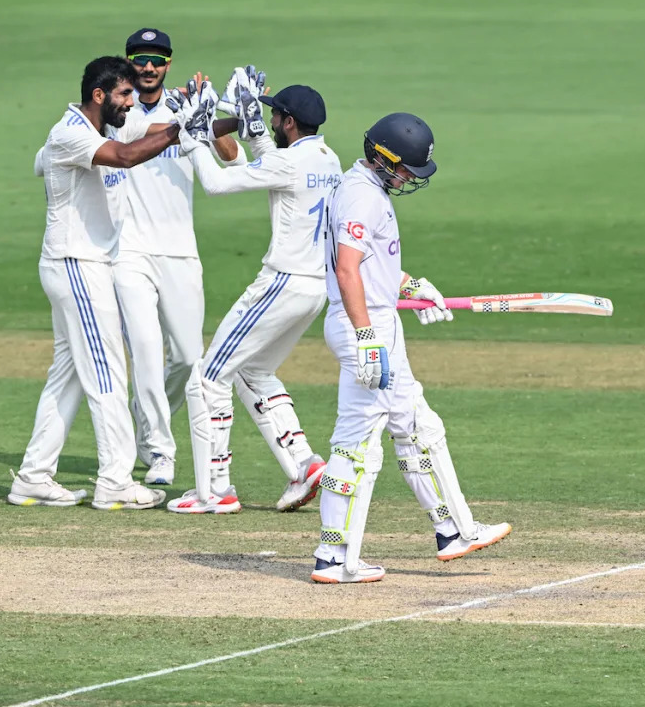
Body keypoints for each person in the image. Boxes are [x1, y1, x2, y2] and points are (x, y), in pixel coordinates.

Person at [310, 112, 510, 584]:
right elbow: (347, 270)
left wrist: (414, 286)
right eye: (404, 170)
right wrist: (366, 338)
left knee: (417, 425)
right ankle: (335, 557)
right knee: (358, 447)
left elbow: (373, 267)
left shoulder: (364, 189)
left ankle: (454, 530)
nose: (407, 179)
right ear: (382, 158)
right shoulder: (361, 196)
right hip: (366, 327)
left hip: (376, 322)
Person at [7, 56, 184, 510]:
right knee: (108, 372)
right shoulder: (69, 133)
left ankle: (33, 475)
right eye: (125, 95)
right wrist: (183, 127)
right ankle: (116, 482)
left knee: (67, 376)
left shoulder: (106, 126)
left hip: (83, 265)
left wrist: (219, 122)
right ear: (100, 96)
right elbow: (127, 158)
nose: (133, 102)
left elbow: (148, 137)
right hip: (76, 265)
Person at [163, 78, 338, 514]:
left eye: (274, 114)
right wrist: (255, 130)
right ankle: (304, 465)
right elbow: (277, 164)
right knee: (252, 372)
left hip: (280, 283)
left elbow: (217, 185)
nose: (270, 119)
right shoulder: (326, 158)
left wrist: (192, 140)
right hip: (314, 288)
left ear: (289, 122)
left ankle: (215, 489)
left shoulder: (290, 163)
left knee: (207, 379)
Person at [114, 28, 244, 487]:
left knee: (190, 359)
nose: (148, 67)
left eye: (156, 59)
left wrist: (205, 119)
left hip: (180, 250)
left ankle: (146, 418)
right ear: (129, 62)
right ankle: (160, 452)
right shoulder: (117, 108)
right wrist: (188, 123)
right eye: (140, 59)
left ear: (168, 63)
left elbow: (231, 157)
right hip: (127, 251)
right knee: (146, 351)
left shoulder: (187, 103)